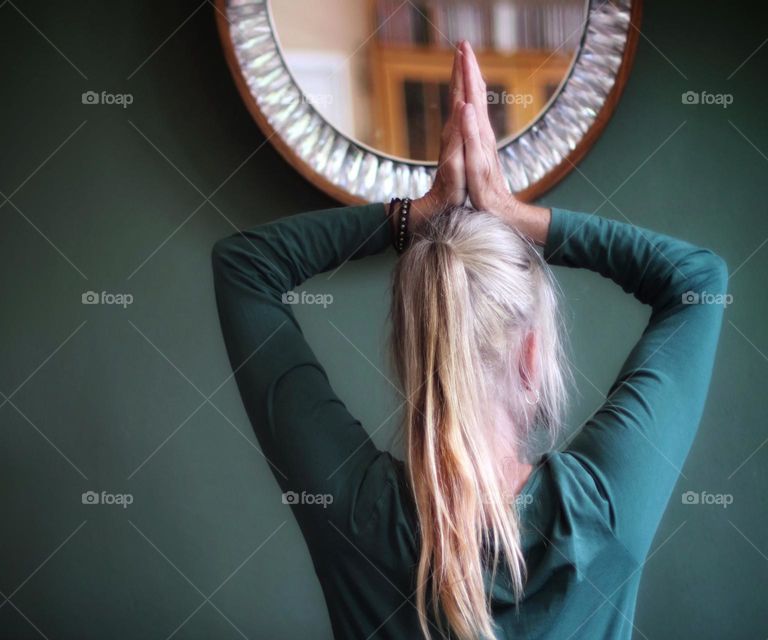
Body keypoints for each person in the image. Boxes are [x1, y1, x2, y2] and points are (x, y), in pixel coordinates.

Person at [211, 41, 727, 640]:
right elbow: (697, 280)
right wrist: (512, 214)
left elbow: (245, 266)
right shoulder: (599, 511)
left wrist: (417, 216)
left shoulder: (358, 512)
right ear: (532, 357)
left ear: (414, 353)